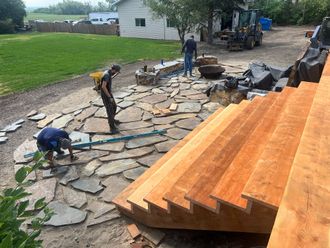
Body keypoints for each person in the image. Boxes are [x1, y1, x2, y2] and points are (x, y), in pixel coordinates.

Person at [101, 64, 121, 134]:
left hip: (109, 93)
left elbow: (110, 78)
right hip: (106, 95)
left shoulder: (108, 72)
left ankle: (112, 119)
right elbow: (103, 87)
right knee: (109, 110)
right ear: (114, 70)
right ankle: (112, 128)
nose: (116, 72)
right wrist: (109, 97)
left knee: (114, 106)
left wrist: (116, 75)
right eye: (116, 71)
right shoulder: (106, 75)